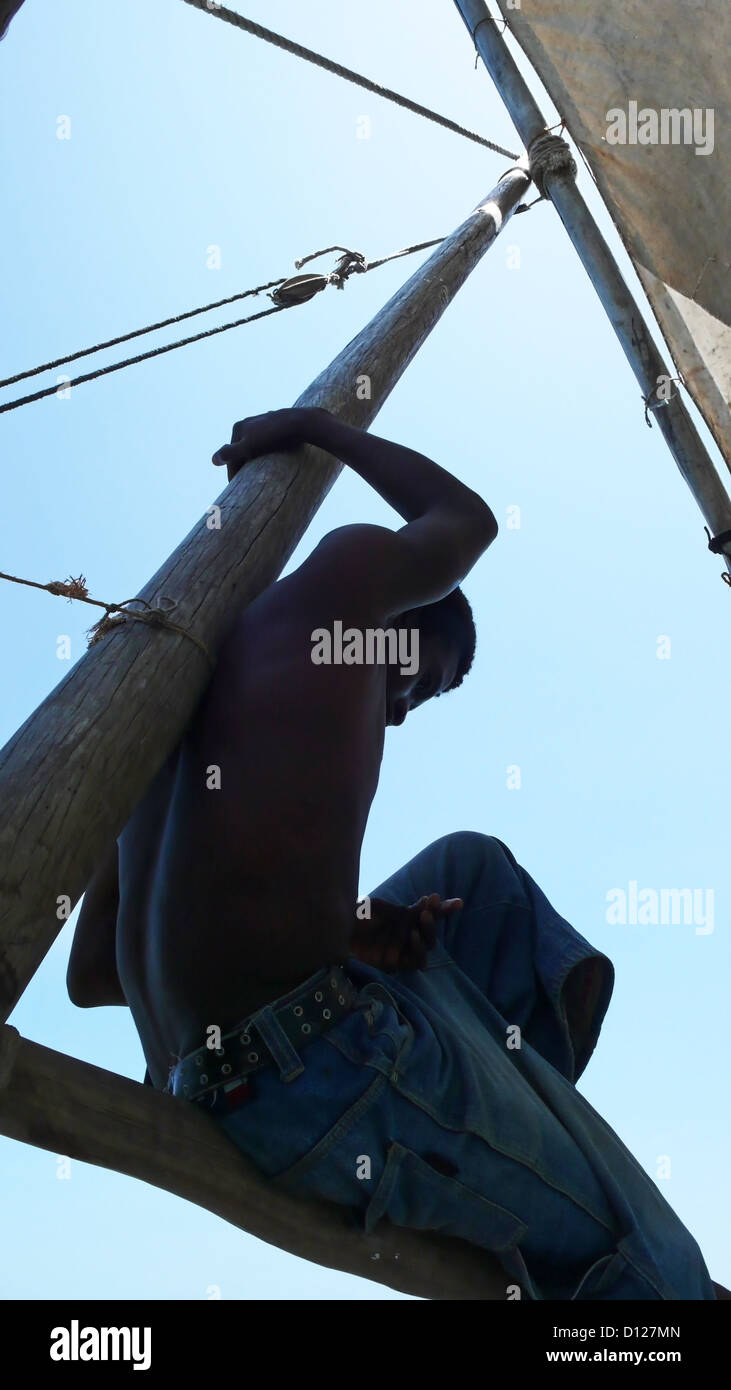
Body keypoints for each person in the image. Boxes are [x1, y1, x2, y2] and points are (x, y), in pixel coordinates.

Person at [67, 407, 718, 1300]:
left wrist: (346, 927)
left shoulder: (166, 724)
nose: (406, 707)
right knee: (652, 1262)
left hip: (208, 1072)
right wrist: (319, 426)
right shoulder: (340, 588)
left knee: (470, 869)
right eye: (427, 675)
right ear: (402, 609)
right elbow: (465, 521)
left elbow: (97, 975)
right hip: (317, 1070)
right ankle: (538, 1136)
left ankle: (514, 1091)